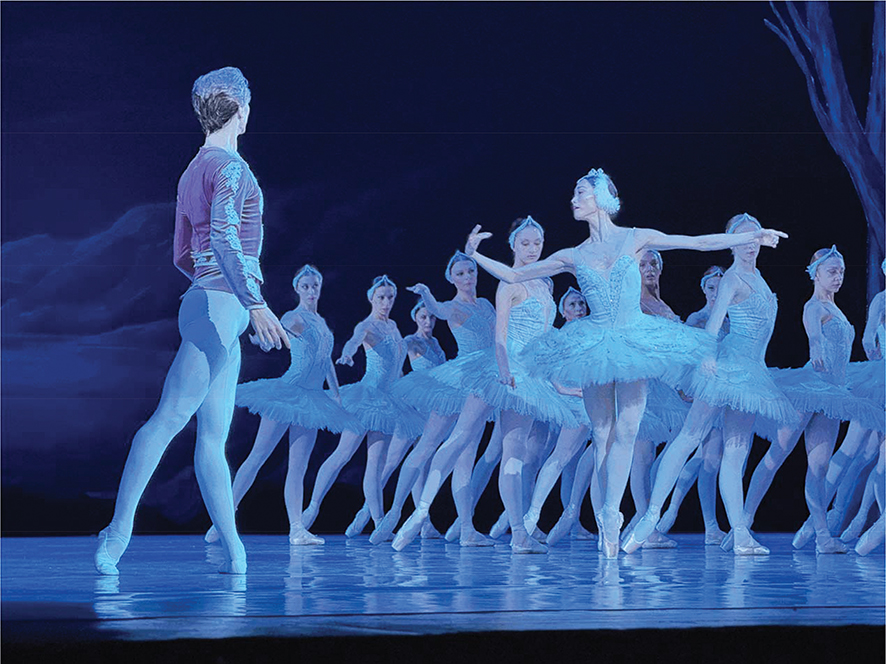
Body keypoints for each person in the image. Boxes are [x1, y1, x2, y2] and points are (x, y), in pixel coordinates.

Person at [465, 170, 787, 557]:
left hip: (634, 340)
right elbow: (515, 273)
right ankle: (605, 517)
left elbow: (699, 243)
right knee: (602, 433)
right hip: (595, 345)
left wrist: (752, 236)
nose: (573, 199)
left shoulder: (635, 237)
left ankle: (614, 515)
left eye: (579, 192)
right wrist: (475, 255)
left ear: (601, 197)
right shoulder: (573, 254)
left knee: (628, 431)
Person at [95, 67, 289, 576]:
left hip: (208, 302)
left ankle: (235, 552)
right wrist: (253, 302)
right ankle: (116, 535)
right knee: (169, 419)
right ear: (242, 110)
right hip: (221, 304)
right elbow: (223, 240)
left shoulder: (190, 171)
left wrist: (215, 290)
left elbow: (183, 251)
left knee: (211, 437)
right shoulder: (231, 169)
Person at [391, 217, 580, 553]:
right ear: (513, 246)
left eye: (537, 242)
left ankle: (519, 534)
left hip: (530, 377)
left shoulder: (545, 285)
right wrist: (505, 370)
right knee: (460, 437)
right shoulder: (509, 284)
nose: (532, 249)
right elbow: (500, 336)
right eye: (525, 243)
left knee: (514, 451)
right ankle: (418, 514)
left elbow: (544, 342)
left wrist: (559, 386)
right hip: (497, 370)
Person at [622, 214, 796, 556]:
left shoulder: (758, 276)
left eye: (754, 237)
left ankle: (741, 532)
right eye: (742, 238)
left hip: (751, 373)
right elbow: (714, 325)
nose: (749, 244)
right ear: (729, 241)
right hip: (726, 366)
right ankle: (649, 517)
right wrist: (707, 360)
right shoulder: (731, 277)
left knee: (736, 451)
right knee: (691, 436)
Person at [204, 266, 360, 546]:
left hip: (312, 400)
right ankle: (222, 519)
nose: (311, 291)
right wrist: (262, 340)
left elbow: (325, 362)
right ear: (297, 289)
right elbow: (277, 335)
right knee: (259, 455)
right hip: (289, 393)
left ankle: (297, 528)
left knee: (298, 467)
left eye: (315, 286)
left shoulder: (321, 323)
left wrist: (336, 397)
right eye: (306, 286)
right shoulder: (295, 317)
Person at [742, 247, 881, 553]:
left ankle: (822, 537)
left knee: (818, 470)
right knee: (776, 455)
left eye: (841, 271)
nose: (838, 277)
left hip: (831, 396)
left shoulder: (838, 308)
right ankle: (743, 525)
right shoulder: (814, 307)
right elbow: (814, 334)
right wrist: (815, 348)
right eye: (832, 271)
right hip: (808, 390)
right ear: (815, 273)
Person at [371, 252, 499, 546]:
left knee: (467, 457)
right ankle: (393, 513)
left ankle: (467, 528)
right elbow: (437, 310)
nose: (467, 277)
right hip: (458, 381)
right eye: (461, 273)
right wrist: (427, 294)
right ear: (451, 278)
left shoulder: (486, 304)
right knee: (427, 445)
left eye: (471, 271)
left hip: (484, 384)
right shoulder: (451, 307)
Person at [301, 276, 425, 531]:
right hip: (367, 398)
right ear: (371, 298)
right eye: (381, 297)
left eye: (390, 297)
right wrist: (347, 354)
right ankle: (312, 506)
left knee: (377, 462)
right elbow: (354, 341)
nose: (386, 302)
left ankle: (378, 521)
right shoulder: (367, 325)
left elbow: (397, 368)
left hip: (389, 402)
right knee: (343, 454)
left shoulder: (393, 326)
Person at [655, 266, 729, 544]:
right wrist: (682, 386)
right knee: (692, 453)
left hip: (726, 395)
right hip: (701, 392)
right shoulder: (698, 318)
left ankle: (710, 526)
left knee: (711, 460)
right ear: (703, 289)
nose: (716, 293)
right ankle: (667, 510)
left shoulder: (733, 320)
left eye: (720, 288)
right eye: (711, 288)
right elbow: (682, 353)